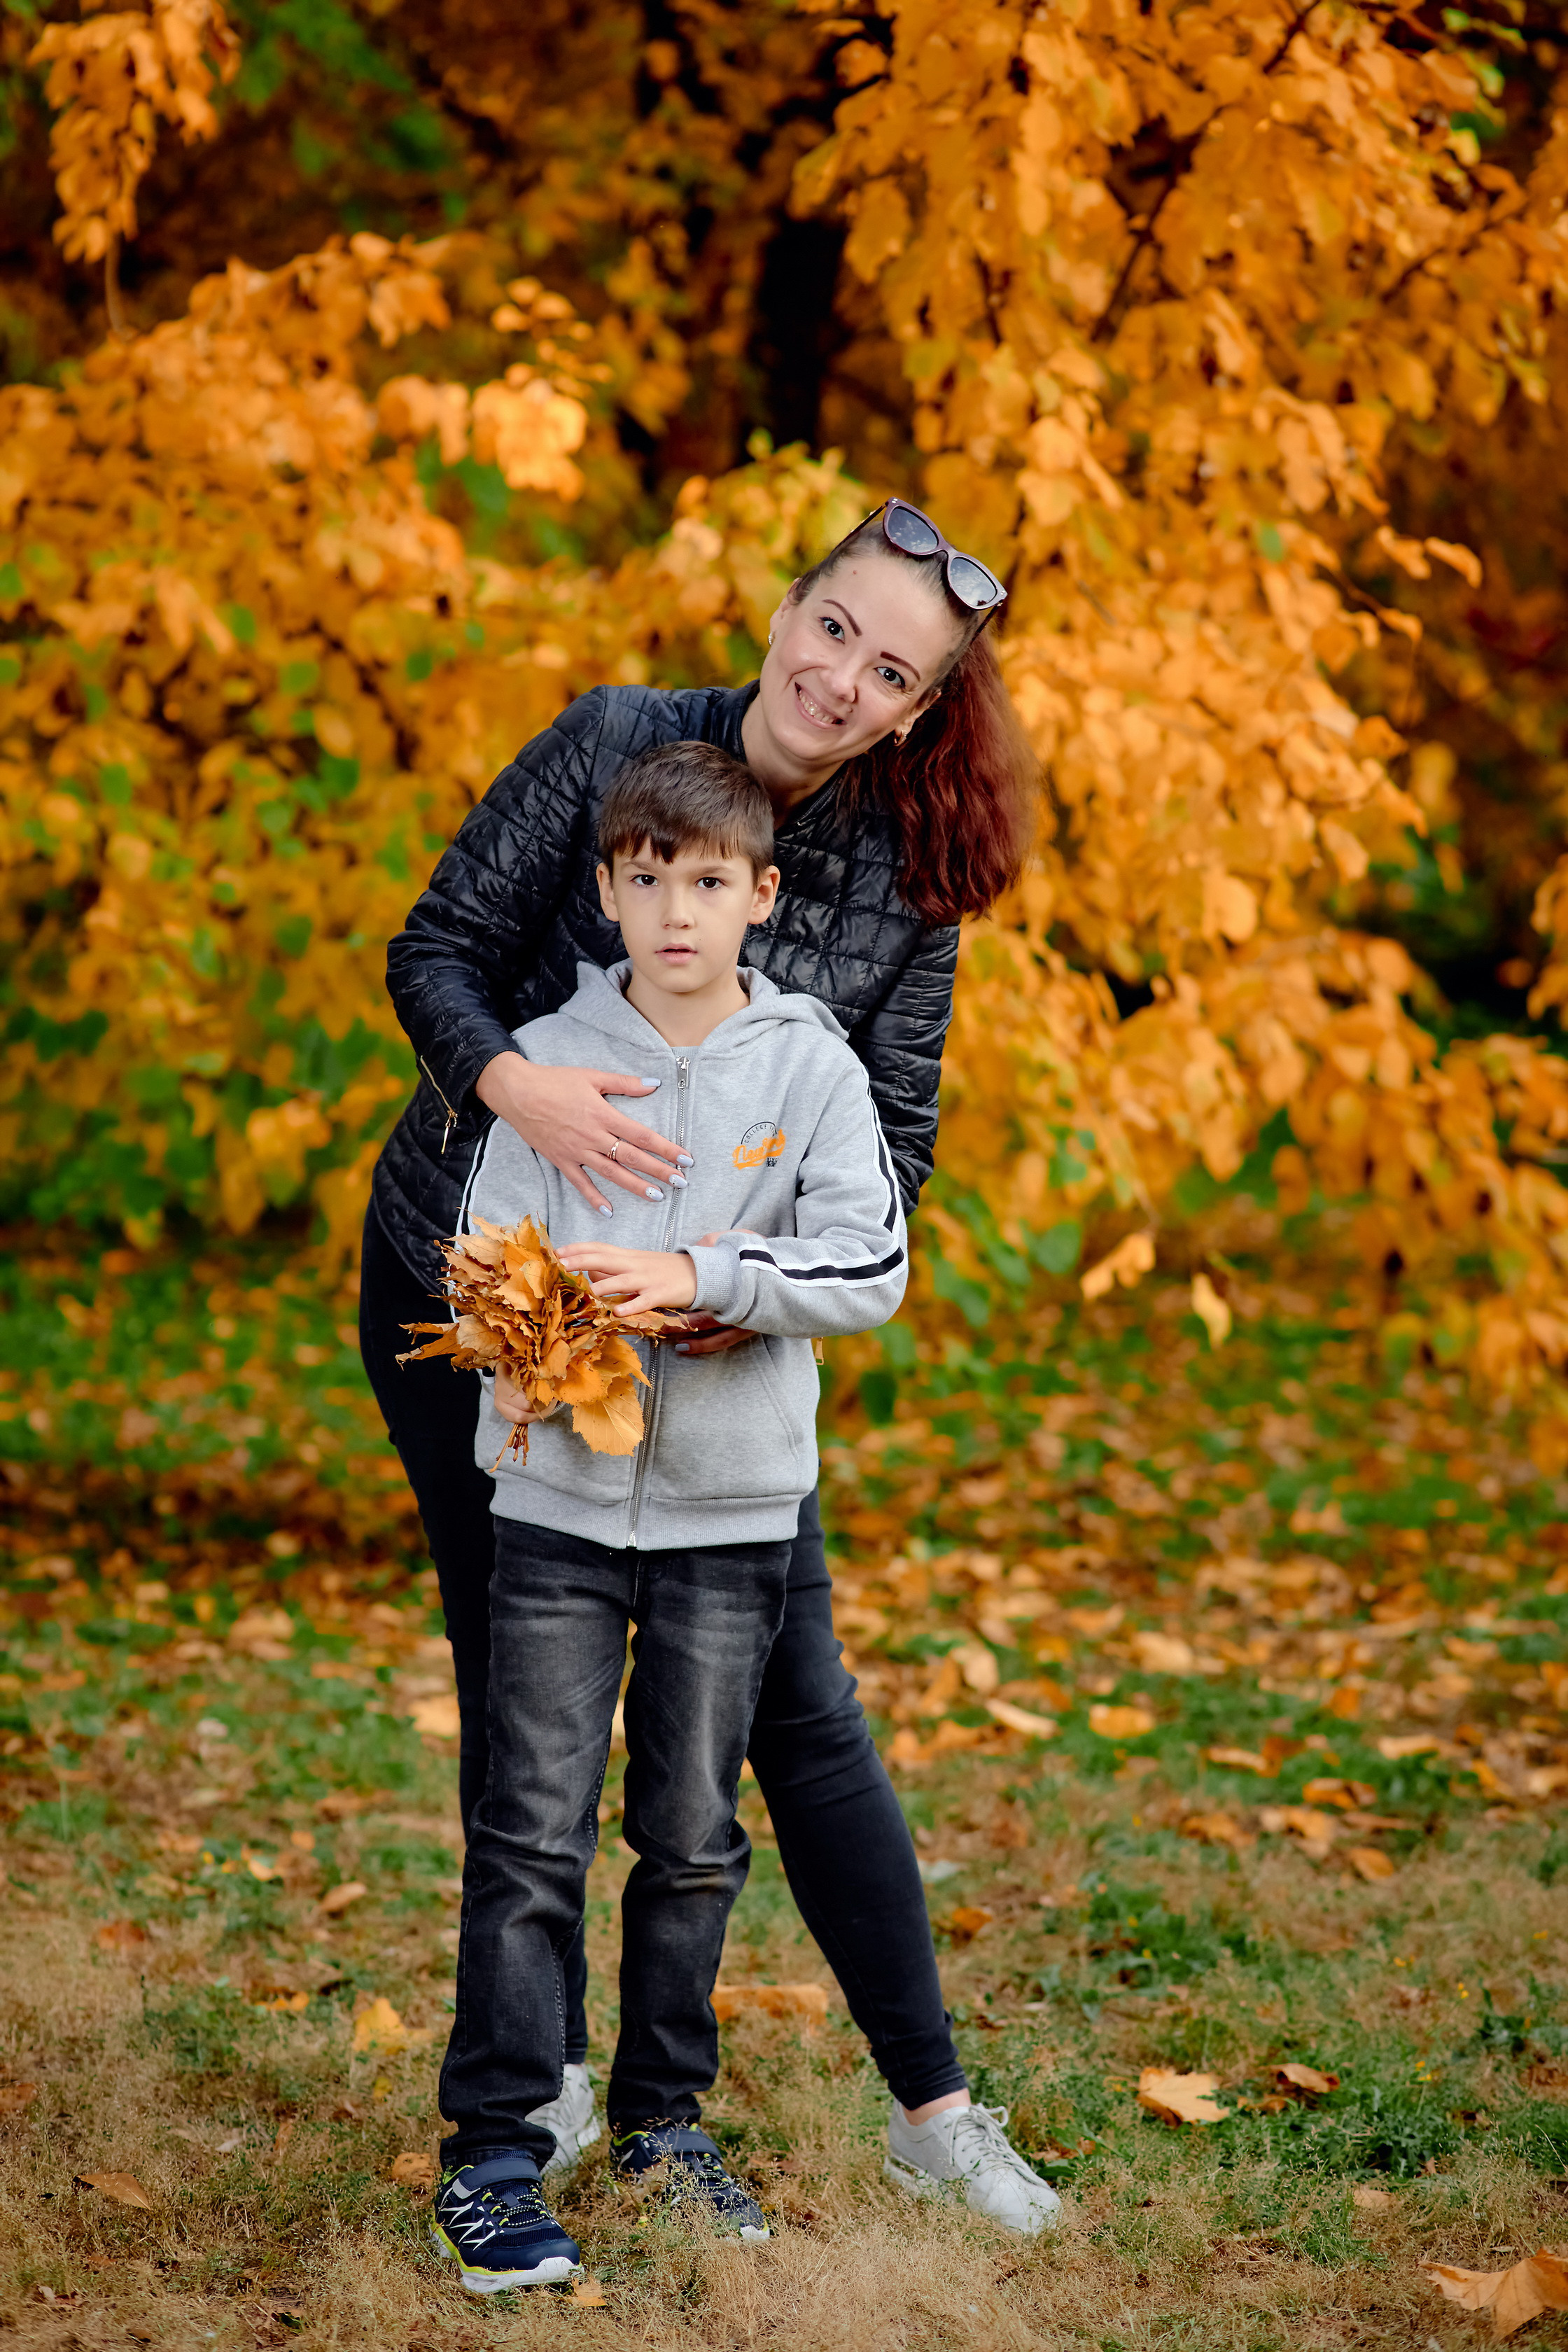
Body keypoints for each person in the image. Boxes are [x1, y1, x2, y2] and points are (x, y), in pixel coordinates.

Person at [361, 498, 1059, 2232]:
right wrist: (510, 1084)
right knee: (527, 1698)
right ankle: (544, 2085)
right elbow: (432, 949)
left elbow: (889, 1163)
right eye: (834, 628)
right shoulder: (619, 744)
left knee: (793, 1712)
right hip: (486, 1302)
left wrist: (732, 1288)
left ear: (917, 711)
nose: (841, 678)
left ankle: (932, 2106)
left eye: (890, 669)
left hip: (719, 1372)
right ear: (786, 610)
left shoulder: (905, 881)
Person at [432, 743, 916, 2288]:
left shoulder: (810, 1068)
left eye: (706, 882)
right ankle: (498, 2149)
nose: (674, 911)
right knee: (528, 1832)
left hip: (730, 1521)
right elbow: (480, 1260)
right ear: (607, 892)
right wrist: (538, 1334)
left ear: (760, 896)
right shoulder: (554, 1059)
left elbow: (870, 1267)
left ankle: (662, 2121)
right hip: (560, 1513)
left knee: (695, 1840)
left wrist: (708, 1282)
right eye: (645, 881)